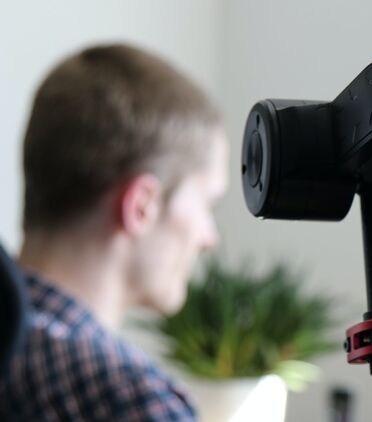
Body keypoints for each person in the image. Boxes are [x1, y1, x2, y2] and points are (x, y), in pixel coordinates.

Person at [0, 44, 228, 420]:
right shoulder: (134, 400)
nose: (208, 238)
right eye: (207, 205)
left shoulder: (17, 356)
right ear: (141, 206)